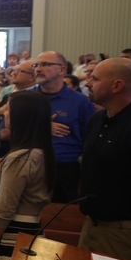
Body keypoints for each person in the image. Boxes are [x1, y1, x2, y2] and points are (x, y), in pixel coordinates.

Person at [0, 91, 54, 260]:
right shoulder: (39, 151)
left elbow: (3, 210)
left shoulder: (20, 158)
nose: (4, 113)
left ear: (22, 116)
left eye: (9, 109)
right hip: (32, 228)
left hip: (14, 232)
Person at [78, 58, 131, 260]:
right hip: (92, 225)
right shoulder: (97, 120)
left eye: (95, 78)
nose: (87, 83)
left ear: (117, 86)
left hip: (123, 231)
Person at [31, 51, 95, 203]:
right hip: (30, 167)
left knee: (62, 216)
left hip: (65, 168)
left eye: (45, 64)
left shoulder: (80, 102)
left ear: (62, 70)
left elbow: (91, 138)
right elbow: (7, 132)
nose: (38, 69)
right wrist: (43, 126)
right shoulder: (25, 98)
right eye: (36, 65)